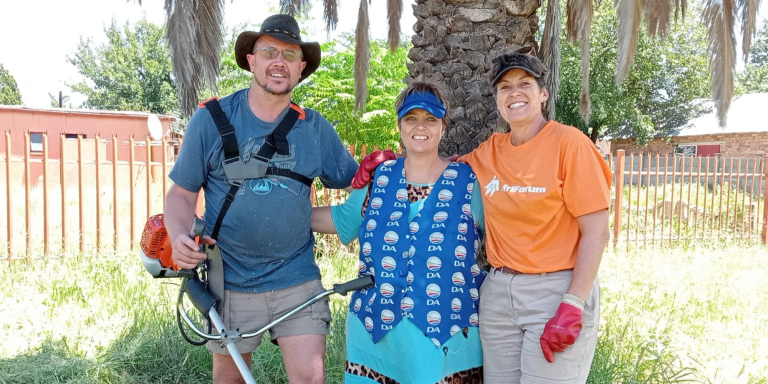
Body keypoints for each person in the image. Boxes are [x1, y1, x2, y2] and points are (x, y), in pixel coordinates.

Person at [352, 49, 611, 384]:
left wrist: (573, 303)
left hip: (554, 290)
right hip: (499, 292)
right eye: (505, 87)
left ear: (543, 93)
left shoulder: (570, 145)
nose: (514, 92)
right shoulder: (490, 151)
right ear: (498, 99)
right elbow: (441, 171)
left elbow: (597, 232)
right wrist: (388, 164)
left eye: (525, 84)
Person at [164, 14, 358, 384]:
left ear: (301, 67)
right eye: (269, 51)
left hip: (297, 280)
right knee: (231, 380)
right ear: (252, 60)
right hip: (230, 284)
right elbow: (181, 196)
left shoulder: (314, 129)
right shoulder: (211, 120)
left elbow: (360, 185)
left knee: (310, 380)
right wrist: (177, 237)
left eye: (289, 54)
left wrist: (406, 174)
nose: (278, 61)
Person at [312, 81, 487, 383]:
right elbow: (341, 221)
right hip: (375, 336)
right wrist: (279, 214)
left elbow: (507, 234)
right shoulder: (377, 179)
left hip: (447, 338)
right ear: (400, 125)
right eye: (411, 118)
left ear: (443, 127)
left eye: (431, 119)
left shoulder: (469, 182)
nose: (421, 127)